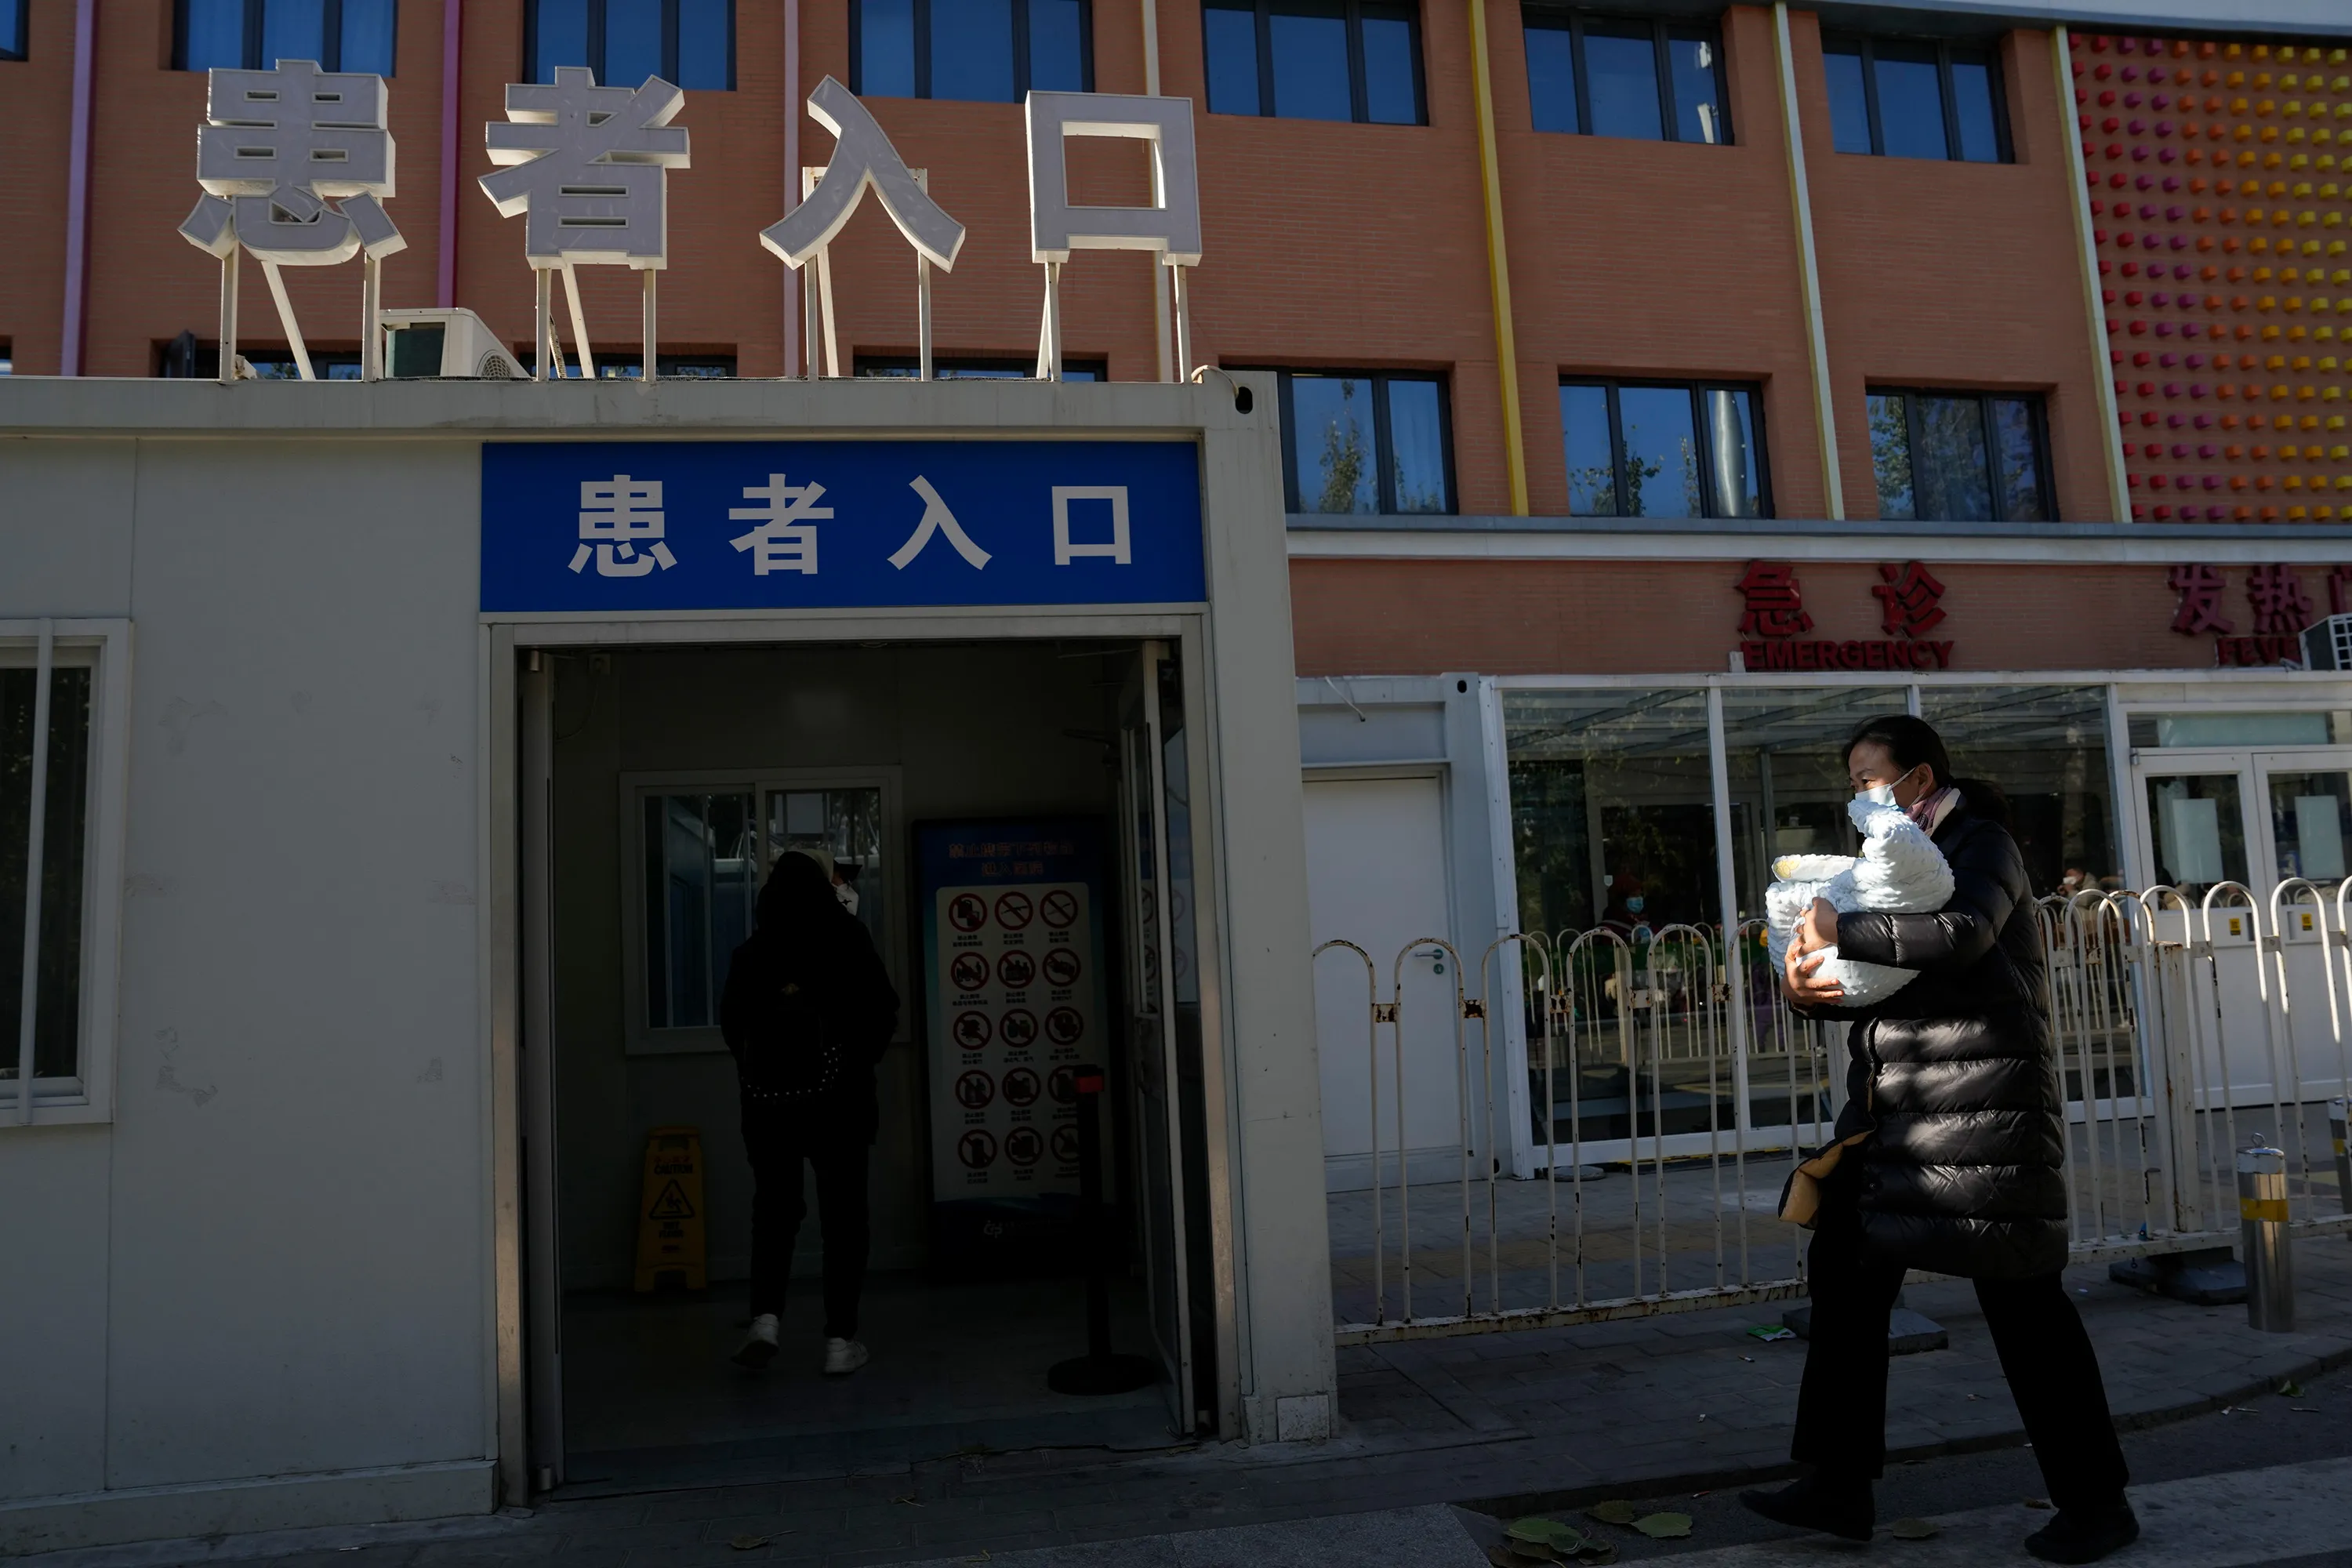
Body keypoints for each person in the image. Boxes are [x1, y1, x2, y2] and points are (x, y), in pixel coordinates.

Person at [1748, 715, 2137, 1565]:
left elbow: (1962, 934)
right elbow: (1876, 977)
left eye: (1869, 776)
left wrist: (1837, 932)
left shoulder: (1980, 841)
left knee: (2025, 1305)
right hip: (1892, 1114)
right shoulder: (1878, 863)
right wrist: (1817, 986)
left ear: (1918, 779)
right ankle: (1835, 1484)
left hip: (1985, 1112)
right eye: (1851, 779)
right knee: (1844, 1280)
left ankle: (2097, 1502)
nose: (1858, 793)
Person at [720, 846, 899, 1376]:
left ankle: (766, 1320)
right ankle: (840, 1341)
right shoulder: (848, 939)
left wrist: (766, 1075)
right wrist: (852, 1064)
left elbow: (734, 1028)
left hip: (770, 1108)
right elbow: (883, 1011)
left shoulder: (752, 953)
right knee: (844, 1217)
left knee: (775, 1211)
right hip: (840, 1106)